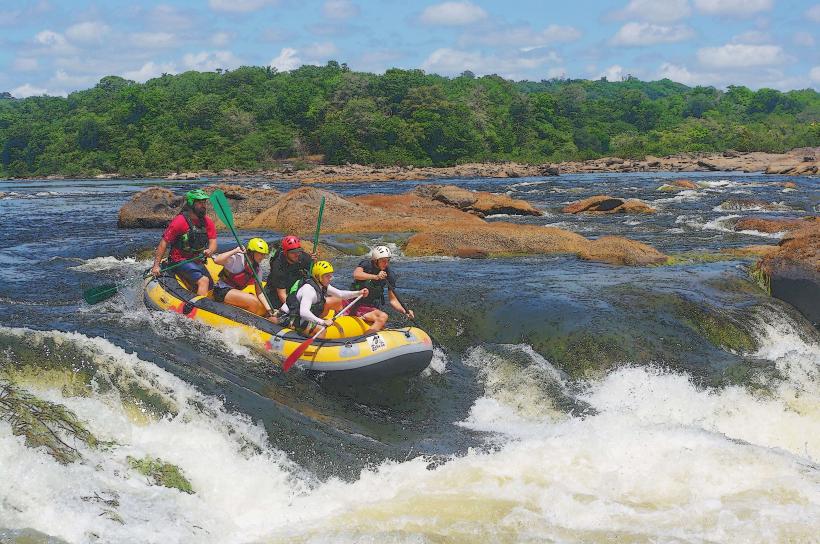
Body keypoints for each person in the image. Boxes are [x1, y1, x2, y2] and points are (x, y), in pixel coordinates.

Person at [151, 189, 217, 296]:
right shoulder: (180, 221)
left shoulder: (207, 222)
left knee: (210, 287)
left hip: (197, 260)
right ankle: (197, 309)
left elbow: (213, 242)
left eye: (204, 202)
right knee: (203, 281)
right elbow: (164, 242)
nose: (203, 205)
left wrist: (210, 250)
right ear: (191, 203)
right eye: (200, 202)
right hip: (179, 260)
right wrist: (156, 266)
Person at [280, 261, 367, 337]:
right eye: (327, 276)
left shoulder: (322, 285)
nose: (330, 278)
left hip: (297, 315)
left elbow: (340, 294)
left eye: (330, 275)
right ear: (318, 277)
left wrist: (358, 293)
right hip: (288, 316)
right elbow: (304, 312)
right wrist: (322, 322)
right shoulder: (309, 290)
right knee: (321, 330)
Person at [349, 246, 414, 332]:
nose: (386, 263)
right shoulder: (366, 264)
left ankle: (366, 338)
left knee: (383, 316)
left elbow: (393, 301)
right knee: (331, 299)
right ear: (376, 260)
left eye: (388, 260)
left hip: (370, 309)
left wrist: (405, 311)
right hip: (352, 303)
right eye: (383, 261)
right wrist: (376, 277)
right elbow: (356, 274)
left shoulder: (390, 275)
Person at [212, 238, 277, 321]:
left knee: (258, 303)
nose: (263, 257)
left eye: (264, 254)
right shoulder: (237, 258)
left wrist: (269, 309)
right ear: (252, 252)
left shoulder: (258, 269)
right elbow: (217, 260)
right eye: (261, 254)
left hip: (234, 292)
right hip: (221, 290)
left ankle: (245, 322)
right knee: (253, 301)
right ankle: (244, 323)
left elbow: (259, 292)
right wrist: (235, 251)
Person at [265, 235, 315, 308]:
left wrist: (313, 263)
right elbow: (282, 295)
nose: (297, 254)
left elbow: (316, 275)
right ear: (286, 253)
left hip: (293, 290)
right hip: (275, 294)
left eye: (298, 251)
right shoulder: (278, 266)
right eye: (293, 252)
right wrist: (294, 309)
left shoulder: (302, 257)